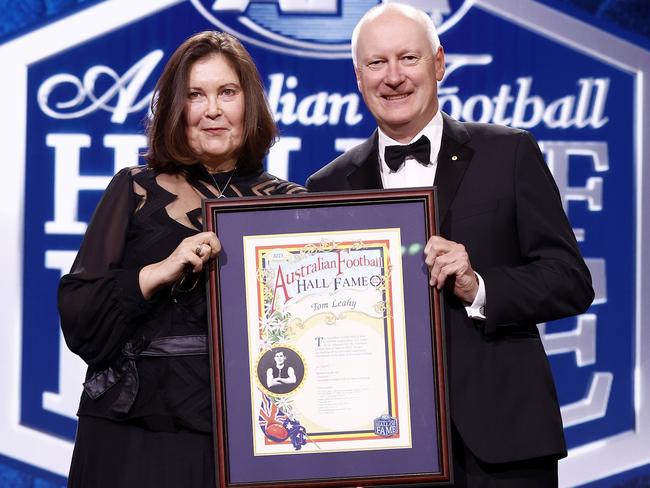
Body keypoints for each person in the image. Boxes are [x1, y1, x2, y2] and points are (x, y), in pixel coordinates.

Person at [306, 3, 593, 486]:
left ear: (439, 63)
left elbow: (569, 280)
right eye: (377, 63)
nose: (393, 77)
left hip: (503, 441)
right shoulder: (328, 185)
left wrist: (479, 285)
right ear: (358, 76)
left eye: (408, 59)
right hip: (384, 445)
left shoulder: (509, 152)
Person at [58, 31, 305, 487]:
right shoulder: (136, 187)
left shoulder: (294, 205)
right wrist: (157, 271)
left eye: (227, 92)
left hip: (249, 435)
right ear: (177, 107)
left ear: (249, 104)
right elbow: (80, 320)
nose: (213, 109)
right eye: (196, 95)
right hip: (134, 428)